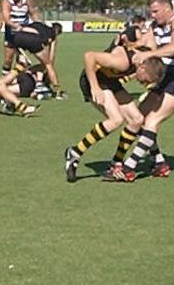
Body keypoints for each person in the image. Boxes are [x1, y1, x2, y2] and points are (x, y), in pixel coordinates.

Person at [106, 0, 174, 182]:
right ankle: (159, 163)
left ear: (168, 8)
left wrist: (149, 56)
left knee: (152, 121)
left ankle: (128, 168)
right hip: (165, 76)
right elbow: (143, 43)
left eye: (156, 11)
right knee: (139, 118)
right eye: (151, 12)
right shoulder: (155, 26)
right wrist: (128, 45)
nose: (153, 15)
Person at [64, 43, 165, 182]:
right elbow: (89, 56)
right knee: (115, 119)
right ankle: (75, 152)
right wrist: (94, 88)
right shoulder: (122, 62)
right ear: (142, 68)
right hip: (93, 80)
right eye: (146, 80)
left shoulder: (144, 59)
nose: (145, 84)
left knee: (137, 119)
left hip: (110, 81)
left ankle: (116, 163)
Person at [0, 0, 37, 76]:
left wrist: (38, 24)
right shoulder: (6, 1)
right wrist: (16, 26)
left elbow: (32, 13)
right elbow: (6, 19)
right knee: (8, 58)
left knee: (21, 58)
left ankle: (20, 79)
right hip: (11, 32)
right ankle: (5, 79)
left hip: (24, 32)